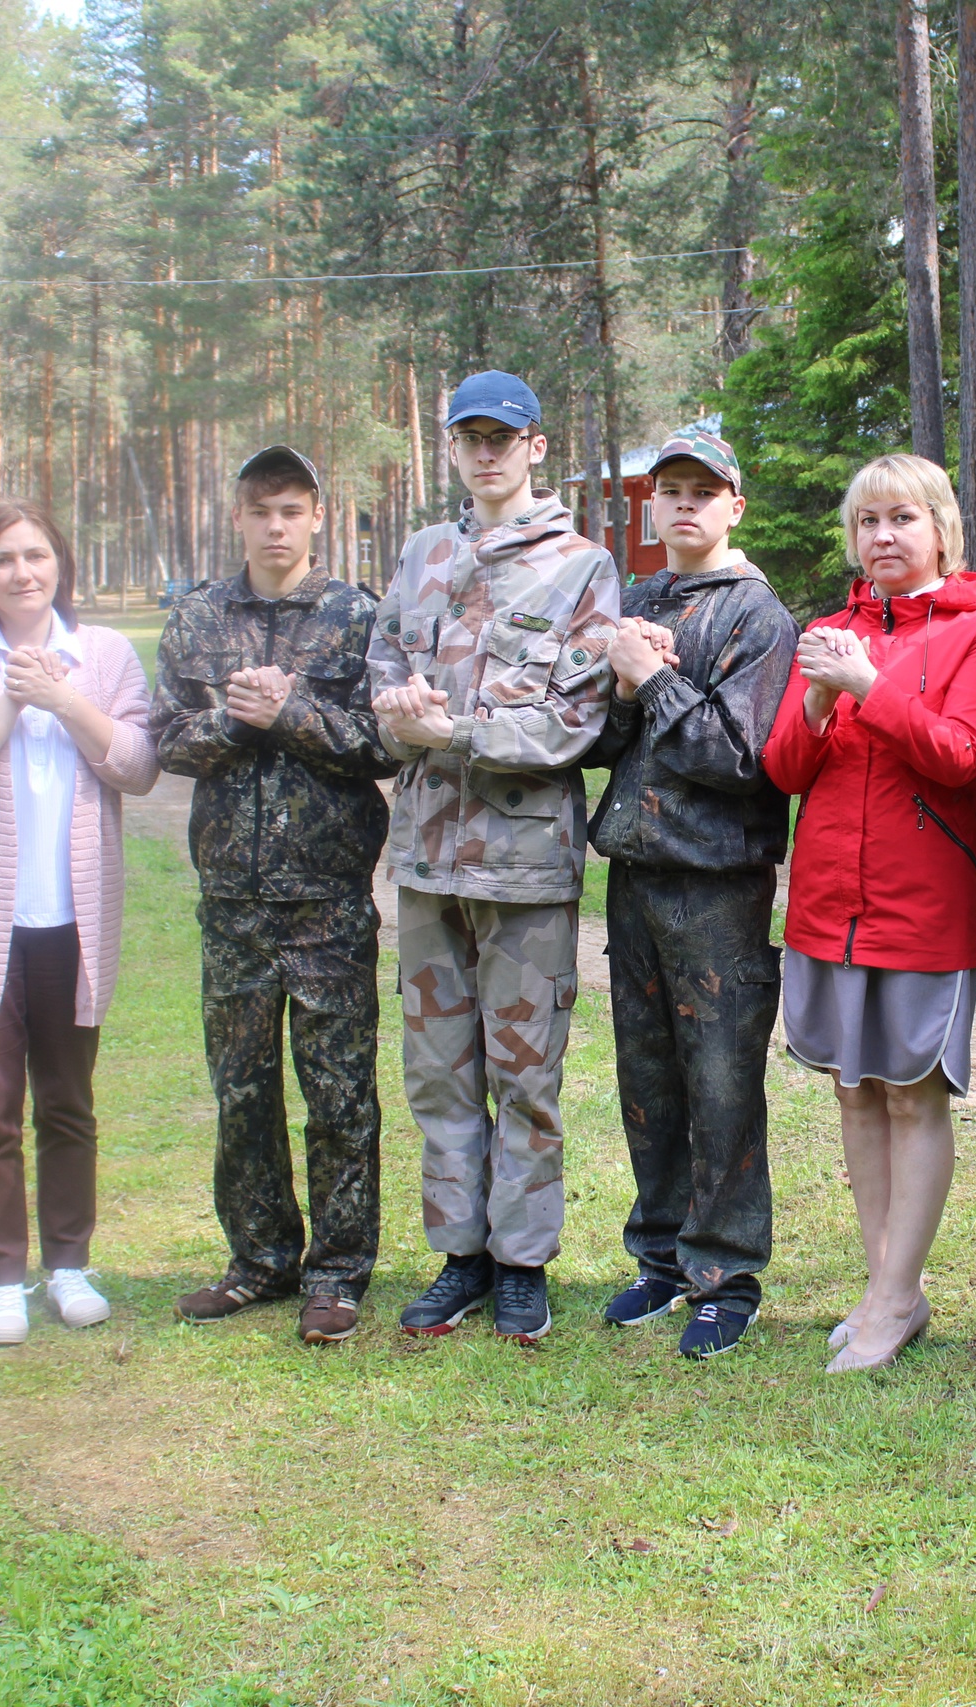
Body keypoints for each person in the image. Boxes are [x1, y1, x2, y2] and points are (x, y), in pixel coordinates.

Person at [366, 371, 621, 1343]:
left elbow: (573, 723)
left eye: (502, 437)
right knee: (437, 1073)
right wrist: (398, 719)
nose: (486, 453)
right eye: (469, 437)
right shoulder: (425, 554)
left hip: (522, 870)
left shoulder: (580, 569)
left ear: (536, 446)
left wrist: (453, 732)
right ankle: (460, 1256)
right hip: (427, 867)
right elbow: (385, 671)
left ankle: (521, 1262)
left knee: (525, 1076)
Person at [764, 453, 976, 1373]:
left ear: (940, 526)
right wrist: (822, 697)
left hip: (924, 905)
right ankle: (886, 1293)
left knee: (911, 1093)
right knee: (851, 1087)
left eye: (901, 519)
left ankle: (896, 1295)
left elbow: (959, 754)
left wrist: (870, 687)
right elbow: (786, 770)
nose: (883, 539)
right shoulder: (828, 630)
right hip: (831, 900)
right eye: (867, 523)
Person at [151, 445, 398, 1344]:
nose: (277, 526)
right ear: (240, 517)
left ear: (318, 515)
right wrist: (234, 716)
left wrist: (290, 711)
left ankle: (337, 1270)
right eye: (262, 510)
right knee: (242, 1091)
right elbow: (166, 740)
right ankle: (258, 1259)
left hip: (327, 898)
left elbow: (385, 741)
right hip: (233, 905)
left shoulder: (357, 617)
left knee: (338, 1092)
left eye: (292, 509)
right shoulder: (197, 618)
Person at [0, 500, 161, 1346]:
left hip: (70, 922)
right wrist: (10, 702)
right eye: (3, 558)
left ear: (61, 563)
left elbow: (137, 764)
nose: (23, 571)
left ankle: (71, 1265)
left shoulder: (107, 655)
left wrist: (62, 696)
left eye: (37, 554)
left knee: (68, 1103)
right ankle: (1, 1277)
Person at [586, 428, 799, 1360]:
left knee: (720, 1080)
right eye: (668, 489)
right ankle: (661, 1255)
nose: (683, 504)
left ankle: (726, 1273)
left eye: (703, 491)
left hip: (715, 886)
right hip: (633, 873)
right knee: (648, 1077)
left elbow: (744, 761)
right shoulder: (634, 602)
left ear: (734, 505)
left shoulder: (759, 617)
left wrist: (654, 677)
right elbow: (594, 745)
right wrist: (623, 683)